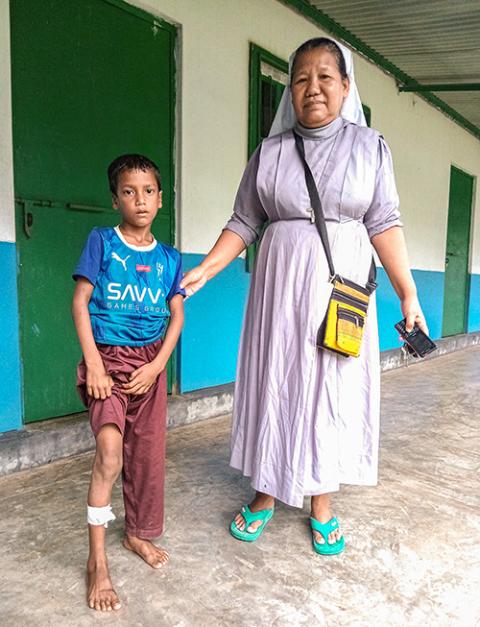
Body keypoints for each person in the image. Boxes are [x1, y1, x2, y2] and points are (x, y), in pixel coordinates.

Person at [181, 38, 428, 555]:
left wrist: (409, 294)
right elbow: (246, 219)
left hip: (342, 292)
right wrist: (206, 266)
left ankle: (321, 500)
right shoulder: (270, 152)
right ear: (289, 90)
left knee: (330, 387)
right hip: (278, 289)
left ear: (344, 86)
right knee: (276, 378)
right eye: (300, 79)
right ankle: (265, 492)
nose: (312, 88)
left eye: (324, 77)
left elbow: (384, 222)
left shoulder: (369, 147)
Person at [72, 154, 185, 611]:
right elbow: (80, 302)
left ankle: (136, 534)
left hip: (149, 368)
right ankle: (96, 560)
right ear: (114, 198)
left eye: (148, 191)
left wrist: (158, 366)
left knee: (147, 457)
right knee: (110, 453)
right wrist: (95, 366)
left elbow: (176, 314)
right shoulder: (102, 242)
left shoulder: (169, 258)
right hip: (108, 362)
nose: (139, 199)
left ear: (161, 198)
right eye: (128, 191)